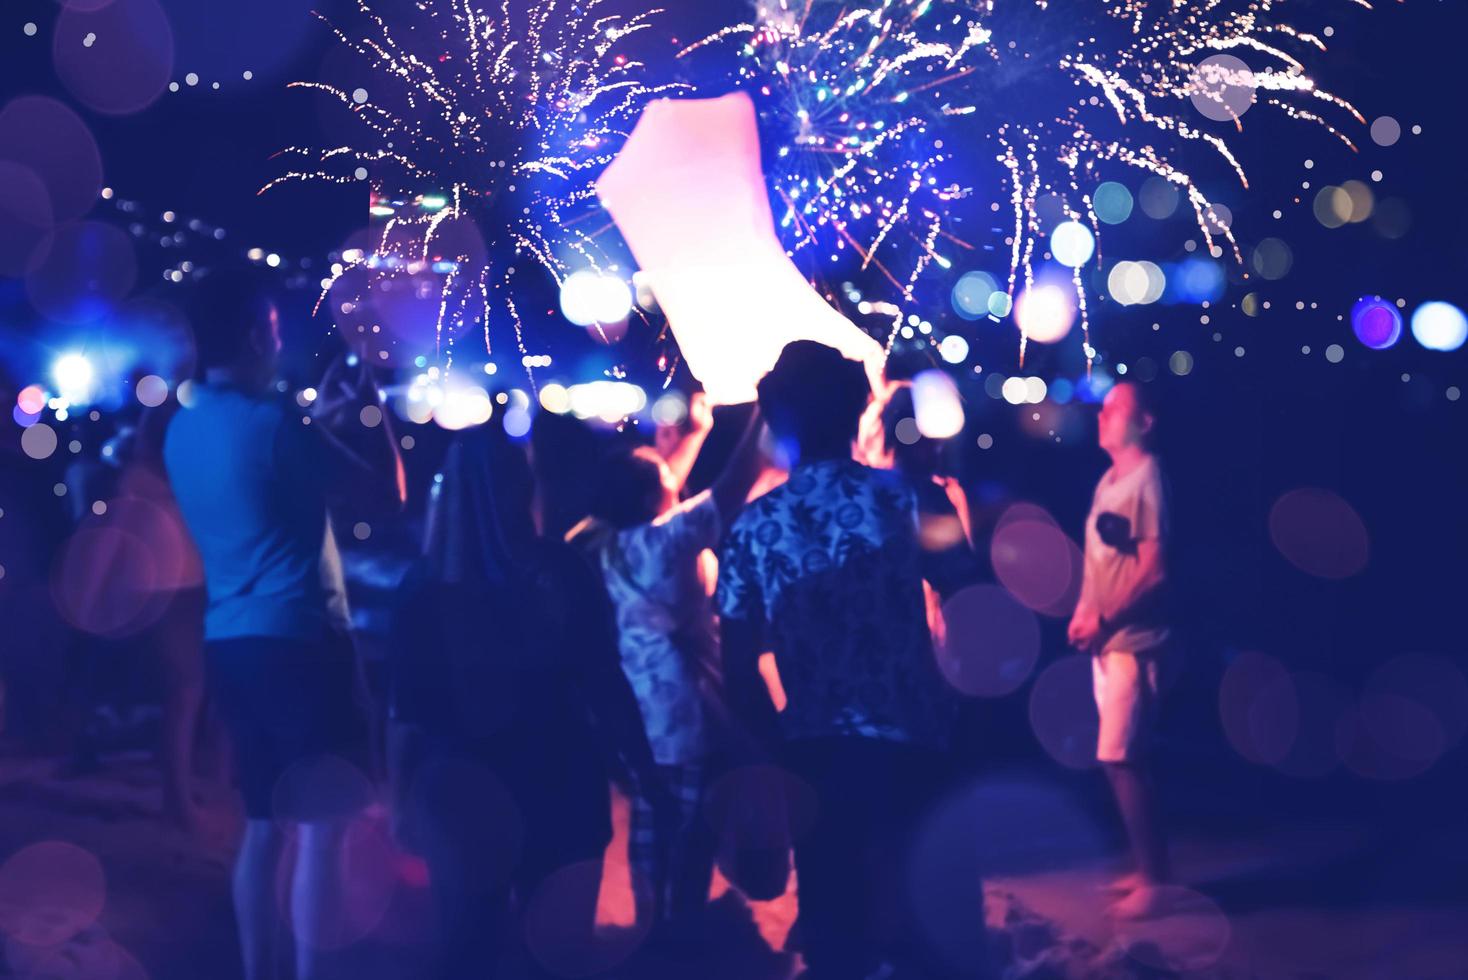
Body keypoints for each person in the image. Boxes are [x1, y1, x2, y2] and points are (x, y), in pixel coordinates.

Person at [163, 269, 405, 980]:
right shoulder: (274, 425)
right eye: (271, 328)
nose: (278, 340)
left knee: (265, 828)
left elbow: (266, 485)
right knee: (326, 831)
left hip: (231, 643)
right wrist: (374, 413)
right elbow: (386, 493)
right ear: (249, 332)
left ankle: (255, 970)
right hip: (301, 641)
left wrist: (315, 424)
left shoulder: (185, 426)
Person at [717, 341, 979, 980]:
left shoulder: (754, 527)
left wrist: (777, 746)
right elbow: (979, 606)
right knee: (930, 928)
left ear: (779, 422)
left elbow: (737, 666)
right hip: (917, 740)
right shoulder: (913, 499)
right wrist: (961, 706)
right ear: (861, 408)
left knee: (837, 935)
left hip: (815, 752)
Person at [391, 420, 674, 979]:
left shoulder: (423, 587)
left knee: (466, 955)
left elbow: (404, 713)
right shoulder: (561, 571)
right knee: (558, 956)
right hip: (560, 784)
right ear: (522, 487)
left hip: (460, 791)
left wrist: (400, 799)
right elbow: (604, 681)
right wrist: (646, 774)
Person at [568, 394, 764, 937]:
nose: (673, 478)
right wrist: (763, 410)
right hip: (685, 712)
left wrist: (697, 433)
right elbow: (732, 484)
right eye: (664, 476)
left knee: (650, 824)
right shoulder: (666, 542)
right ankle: (682, 928)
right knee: (695, 826)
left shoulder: (602, 541)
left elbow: (662, 488)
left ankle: (652, 928)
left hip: (634, 716)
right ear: (652, 495)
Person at [1067, 380, 1174, 920]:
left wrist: (1106, 619)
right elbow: (1102, 563)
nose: (1102, 414)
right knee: (1121, 759)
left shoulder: (1147, 479)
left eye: (1116, 408)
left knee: (1122, 756)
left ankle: (1157, 879)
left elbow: (1155, 571)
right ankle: (1147, 866)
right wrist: (1087, 613)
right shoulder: (1110, 480)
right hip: (1109, 641)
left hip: (1135, 641)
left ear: (1145, 422)